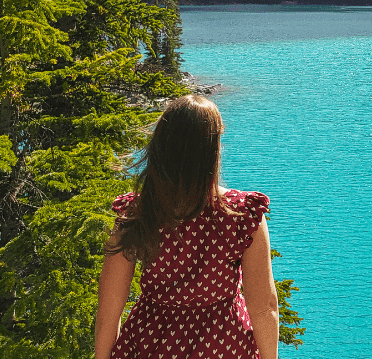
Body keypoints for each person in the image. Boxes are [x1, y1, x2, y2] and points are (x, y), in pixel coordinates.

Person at [94, 95, 281, 359]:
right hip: (223, 346)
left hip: (151, 346)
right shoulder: (242, 215)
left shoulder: (137, 213)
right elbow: (264, 307)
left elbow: (110, 308)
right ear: (211, 150)